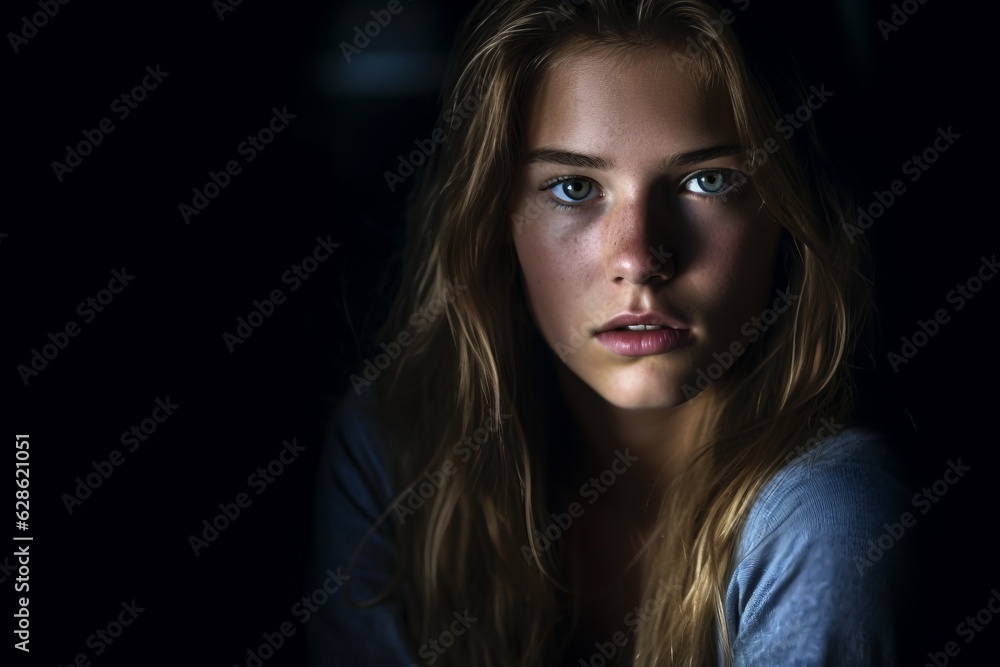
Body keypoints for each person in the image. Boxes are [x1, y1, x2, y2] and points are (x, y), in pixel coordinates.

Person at [308, 0, 916, 664]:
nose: (637, 258)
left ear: (788, 214)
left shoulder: (828, 516)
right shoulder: (395, 451)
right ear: (495, 221)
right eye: (573, 187)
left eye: (706, 180)